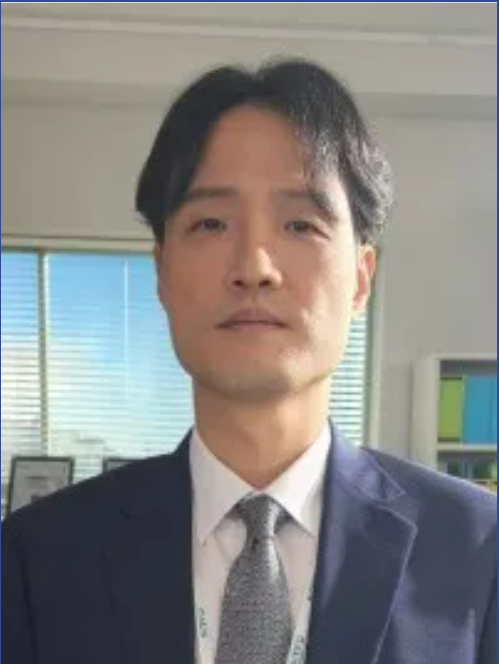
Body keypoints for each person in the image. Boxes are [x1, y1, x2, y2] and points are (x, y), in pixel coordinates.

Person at [2, 59, 496, 664]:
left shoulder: (478, 550)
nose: (254, 266)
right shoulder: (38, 557)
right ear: (161, 272)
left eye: (301, 224)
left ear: (361, 278)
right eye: (210, 223)